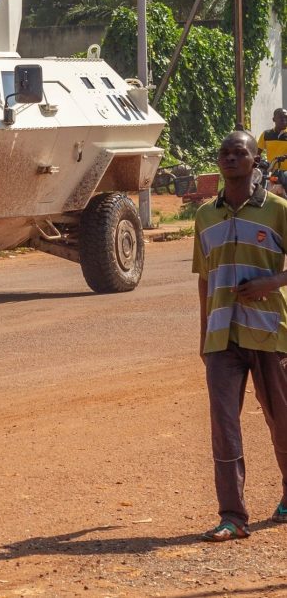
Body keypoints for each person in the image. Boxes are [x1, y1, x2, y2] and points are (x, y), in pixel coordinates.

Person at [193, 130, 287, 542]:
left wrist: (272, 283)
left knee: (281, 420)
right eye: (224, 152)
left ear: (254, 161)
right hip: (220, 337)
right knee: (224, 425)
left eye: (239, 152)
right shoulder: (205, 216)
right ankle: (233, 516)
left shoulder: (278, 210)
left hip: (269, 332)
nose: (230, 158)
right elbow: (203, 279)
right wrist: (202, 334)